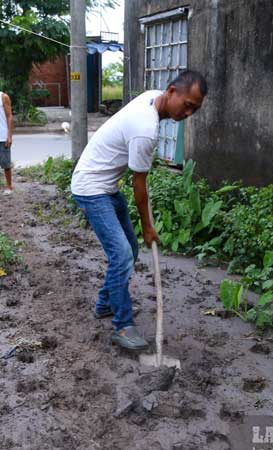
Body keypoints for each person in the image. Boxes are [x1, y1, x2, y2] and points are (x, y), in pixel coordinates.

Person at [71, 70, 208, 351]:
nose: (188, 113)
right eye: (187, 105)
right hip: (91, 187)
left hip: (105, 186)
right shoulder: (146, 129)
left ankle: (105, 304)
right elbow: (139, 188)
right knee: (121, 254)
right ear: (171, 92)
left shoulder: (150, 98)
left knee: (129, 250)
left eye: (195, 108)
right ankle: (122, 326)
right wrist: (148, 227)